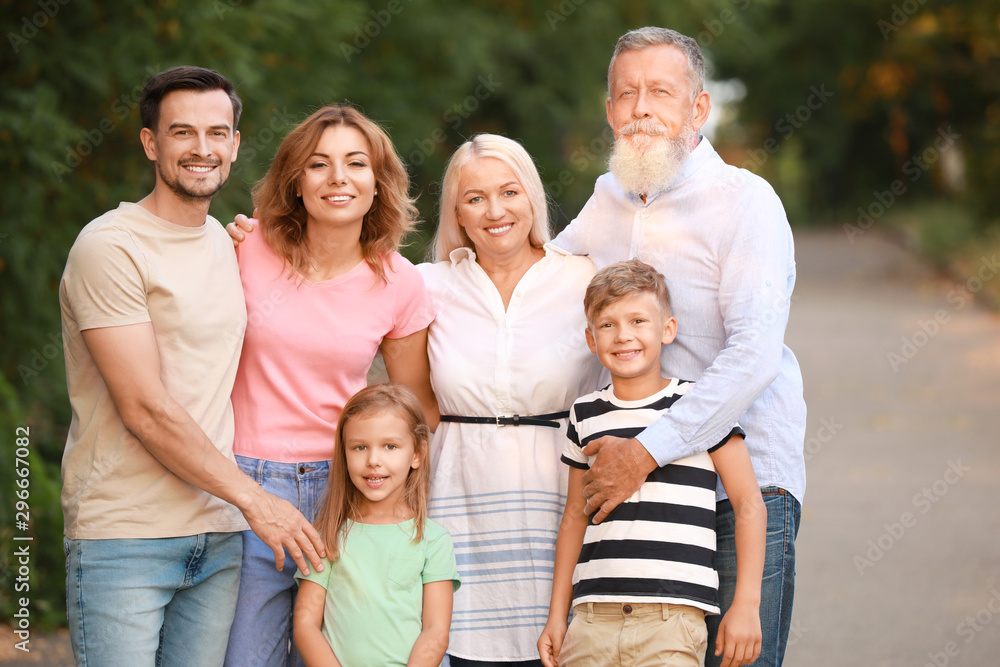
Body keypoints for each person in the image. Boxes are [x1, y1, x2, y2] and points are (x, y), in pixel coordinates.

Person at [551, 27, 807, 667]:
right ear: (608, 110)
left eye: (660, 92)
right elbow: (533, 284)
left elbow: (753, 354)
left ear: (698, 108)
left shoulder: (745, 203)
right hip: (646, 501)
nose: (640, 108)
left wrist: (646, 450)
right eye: (625, 93)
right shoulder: (605, 199)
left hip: (739, 491)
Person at [58, 66, 326, 666]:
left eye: (216, 133)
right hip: (126, 536)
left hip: (219, 537)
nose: (201, 149)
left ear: (234, 143)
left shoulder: (230, 245)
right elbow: (146, 409)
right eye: (182, 132)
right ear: (152, 143)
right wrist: (258, 501)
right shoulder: (110, 246)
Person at [222, 105, 437, 666]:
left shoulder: (400, 282)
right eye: (318, 164)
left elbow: (413, 408)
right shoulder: (246, 248)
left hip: (347, 489)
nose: (338, 177)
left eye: (356, 163)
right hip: (249, 486)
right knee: (246, 657)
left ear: (377, 183)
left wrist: (392, 497)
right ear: (296, 181)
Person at [418, 134, 605, 665]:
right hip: (456, 504)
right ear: (456, 211)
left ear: (533, 198)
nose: (495, 211)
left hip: (559, 505)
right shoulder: (426, 284)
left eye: (509, 192)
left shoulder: (583, 277)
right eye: (475, 198)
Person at [537, 260, 765, 667]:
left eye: (639, 320)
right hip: (592, 619)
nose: (623, 335)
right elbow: (574, 515)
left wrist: (746, 604)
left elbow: (749, 504)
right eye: (607, 325)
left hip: (673, 618)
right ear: (591, 339)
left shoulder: (700, 408)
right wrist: (558, 615)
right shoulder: (584, 413)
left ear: (668, 330)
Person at [293, 383, 461, 666]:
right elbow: (305, 624)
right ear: (344, 454)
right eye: (359, 447)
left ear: (417, 454)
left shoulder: (434, 540)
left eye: (390, 446)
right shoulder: (328, 535)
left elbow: (436, 631)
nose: (373, 460)